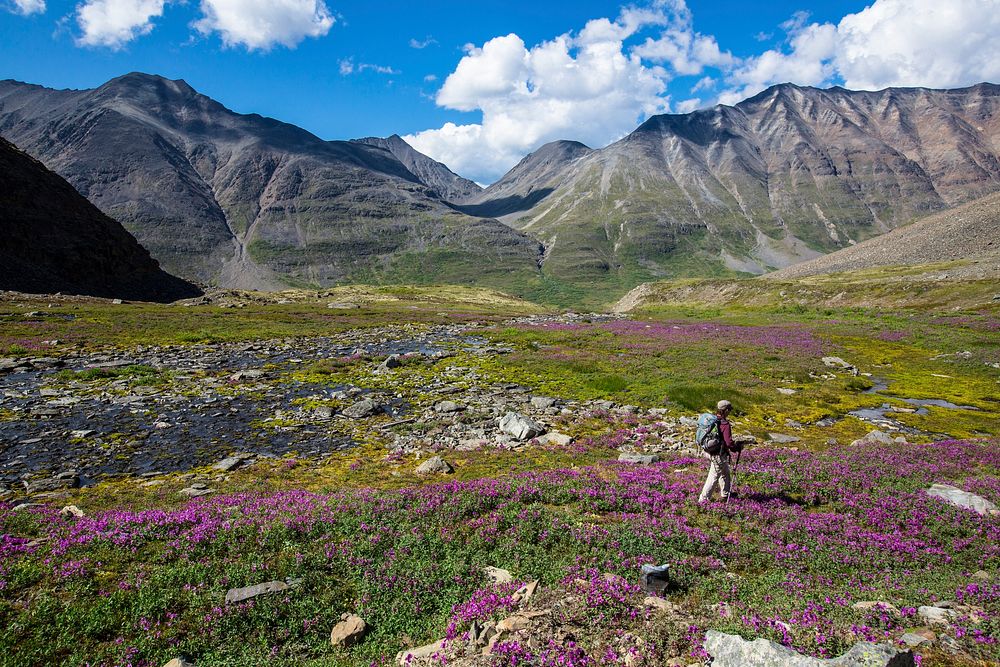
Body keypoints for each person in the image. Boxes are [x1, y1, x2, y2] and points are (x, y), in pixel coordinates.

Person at [698, 399, 741, 504]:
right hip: (718, 454)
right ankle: (703, 500)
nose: (730, 411)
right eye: (729, 410)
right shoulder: (724, 424)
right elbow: (729, 443)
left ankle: (726, 494)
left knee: (725, 472)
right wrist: (737, 447)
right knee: (713, 476)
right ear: (725, 410)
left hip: (708, 451)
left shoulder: (713, 420)